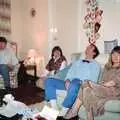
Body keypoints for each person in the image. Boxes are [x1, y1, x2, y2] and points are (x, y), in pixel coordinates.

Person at [44, 44, 101, 120]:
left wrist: (81, 83)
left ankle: (63, 113)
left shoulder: (96, 65)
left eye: (90, 47)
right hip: (69, 83)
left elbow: (93, 81)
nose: (87, 47)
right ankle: (54, 109)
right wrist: (67, 80)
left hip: (80, 85)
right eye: (87, 46)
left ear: (94, 53)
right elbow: (70, 72)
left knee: (75, 83)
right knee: (49, 81)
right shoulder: (77, 62)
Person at [65, 46, 120, 120]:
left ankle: (74, 111)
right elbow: (103, 80)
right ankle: (89, 118)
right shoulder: (107, 67)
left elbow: (113, 82)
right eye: (114, 54)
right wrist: (98, 86)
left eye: (118, 55)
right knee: (87, 91)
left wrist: (97, 86)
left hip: (114, 91)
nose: (115, 56)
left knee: (86, 83)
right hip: (103, 89)